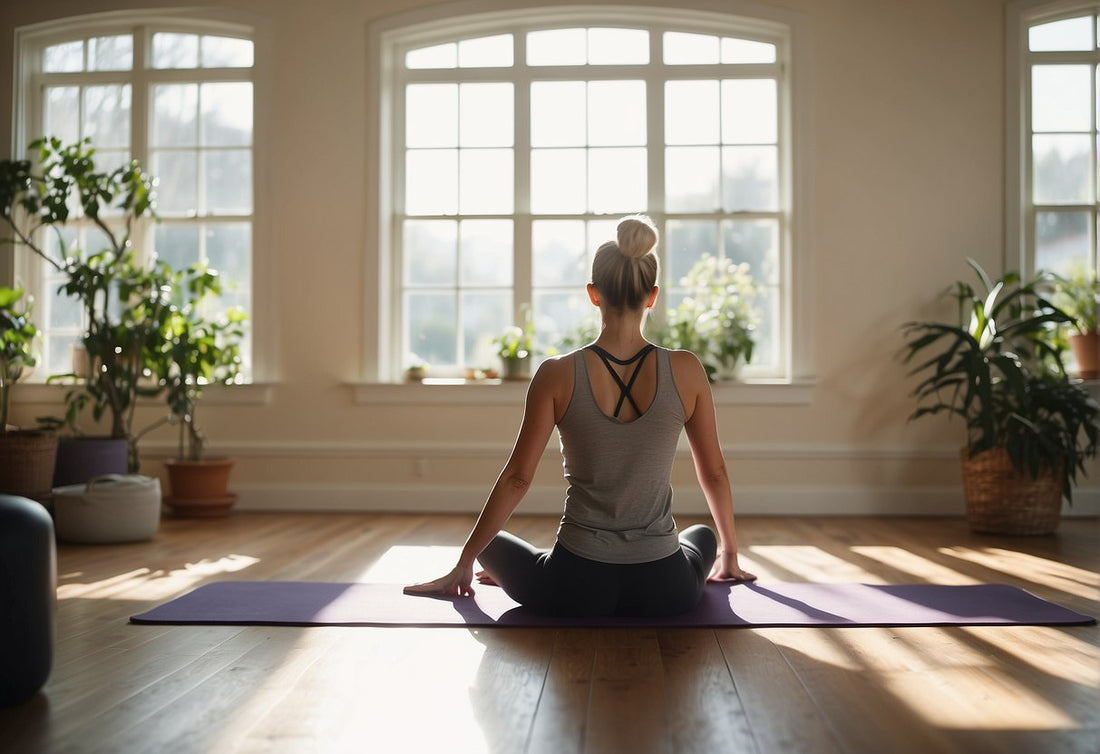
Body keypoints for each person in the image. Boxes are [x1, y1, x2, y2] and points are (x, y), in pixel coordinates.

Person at [404, 214, 756, 616]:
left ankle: (511, 565)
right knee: (703, 536)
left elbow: (518, 477)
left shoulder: (557, 374)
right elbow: (714, 473)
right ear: (652, 295)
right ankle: (719, 551)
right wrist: (730, 554)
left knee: (494, 545)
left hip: (574, 584)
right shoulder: (686, 369)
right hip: (665, 586)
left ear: (594, 294)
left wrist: (465, 560)